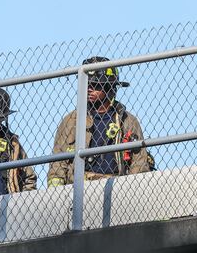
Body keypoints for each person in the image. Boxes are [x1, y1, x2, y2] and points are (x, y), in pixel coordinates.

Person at [47, 56, 149, 186]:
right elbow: (58, 163)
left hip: (116, 187)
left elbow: (139, 163)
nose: (89, 89)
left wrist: (130, 190)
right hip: (79, 188)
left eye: (95, 85)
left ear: (109, 87)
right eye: (87, 84)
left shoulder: (127, 121)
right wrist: (57, 195)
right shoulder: (71, 121)